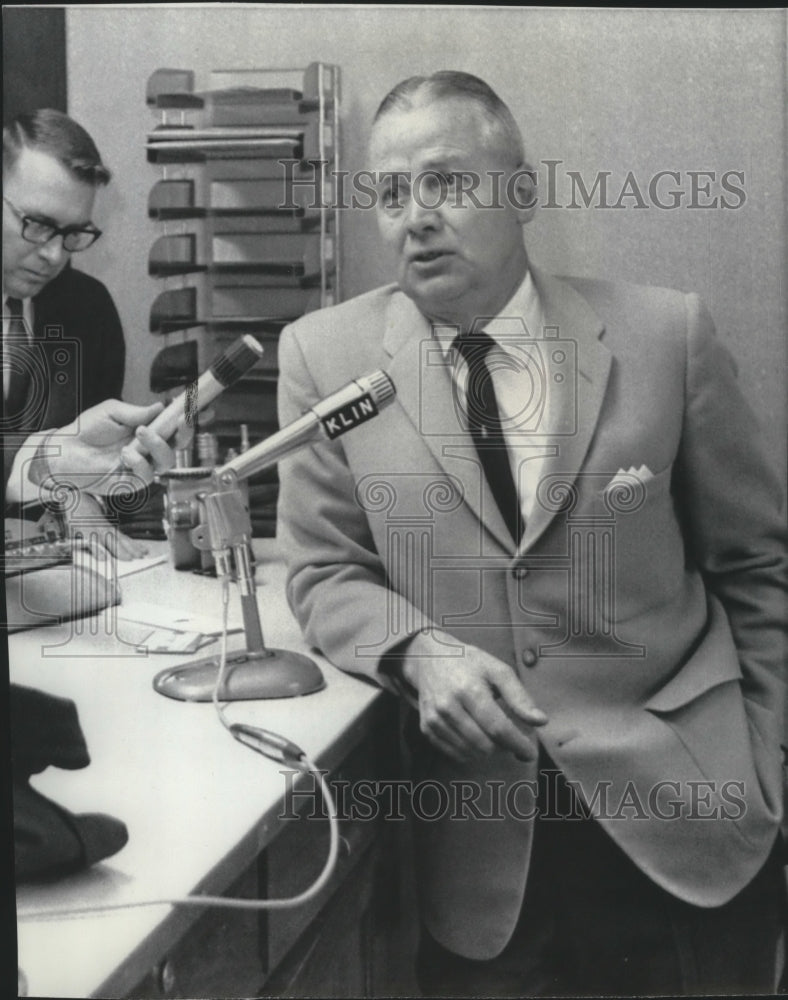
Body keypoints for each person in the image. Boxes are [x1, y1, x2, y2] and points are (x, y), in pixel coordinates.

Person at [276, 72, 787, 996]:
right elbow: (323, 572)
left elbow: (758, 566)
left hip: (689, 820)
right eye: (391, 193)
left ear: (522, 193)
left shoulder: (666, 334)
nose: (416, 216)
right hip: (475, 858)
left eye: (446, 182)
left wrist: (771, 761)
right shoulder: (326, 358)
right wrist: (419, 651)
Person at [2, 108, 171, 558]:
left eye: (73, 233)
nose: (54, 255)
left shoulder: (88, 309)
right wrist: (53, 477)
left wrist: (91, 487)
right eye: (36, 224)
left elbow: (86, 465)